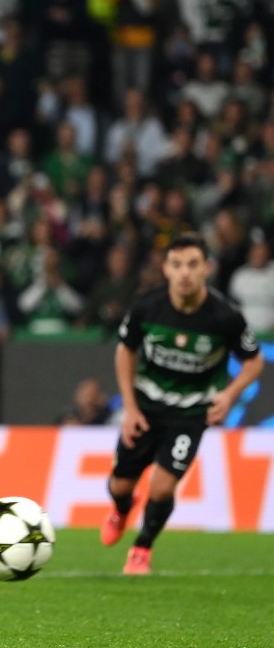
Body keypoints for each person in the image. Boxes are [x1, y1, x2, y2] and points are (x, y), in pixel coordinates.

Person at [101, 233, 263, 574]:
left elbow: (254, 360)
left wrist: (230, 394)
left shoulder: (225, 316)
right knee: (120, 485)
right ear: (166, 269)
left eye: (192, 264)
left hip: (190, 414)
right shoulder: (148, 305)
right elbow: (125, 351)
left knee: (162, 486)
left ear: (207, 268)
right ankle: (120, 509)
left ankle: (142, 547)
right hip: (145, 407)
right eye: (177, 265)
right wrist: (129, 408)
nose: (185, 273)